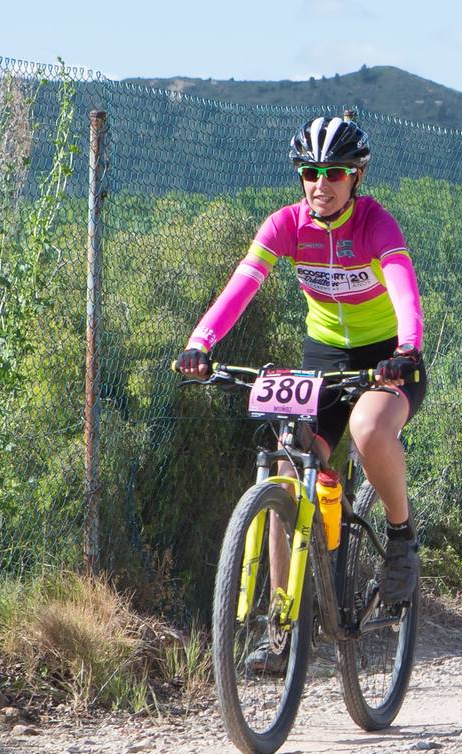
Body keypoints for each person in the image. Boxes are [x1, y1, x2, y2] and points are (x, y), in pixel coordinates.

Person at [174, 115, 425, 615]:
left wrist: (406, 350)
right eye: (311, 172)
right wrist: (200, 343)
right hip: (324, 359)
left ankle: (401, 539)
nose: (320, 184)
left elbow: (404, 291)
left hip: (388, 359)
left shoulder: (376, 224)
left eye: (333, 173)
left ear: (356, 176)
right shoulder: (286, 225)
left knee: (369, 429)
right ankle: (279, 625)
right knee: (287, 465)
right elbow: (242, 286)